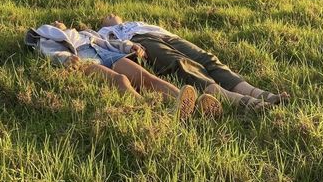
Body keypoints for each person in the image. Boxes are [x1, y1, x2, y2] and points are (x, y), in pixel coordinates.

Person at [25, 21, 221, 119]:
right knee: (120, 80)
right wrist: (67, 59)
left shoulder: (82, 33)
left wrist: (129, 47)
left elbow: (108, 42)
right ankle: (152, 113)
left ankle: (188, 105)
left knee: (145, 77)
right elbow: (50, 52)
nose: (58, 21)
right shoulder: (46, 37)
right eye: (53, 22)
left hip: (105, 52)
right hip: (85, 60)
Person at [98, 15, 290, 113]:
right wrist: (111, 32)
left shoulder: (138, 22)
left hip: (167, 37)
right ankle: (235, 99)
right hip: (141, 43)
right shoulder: (103, 33)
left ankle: (256, 92)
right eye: (107, 17)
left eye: (113, 14)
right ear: (103, 23)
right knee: (182, 63)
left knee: (208, 59)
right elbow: (107, 50)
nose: (111, 15)